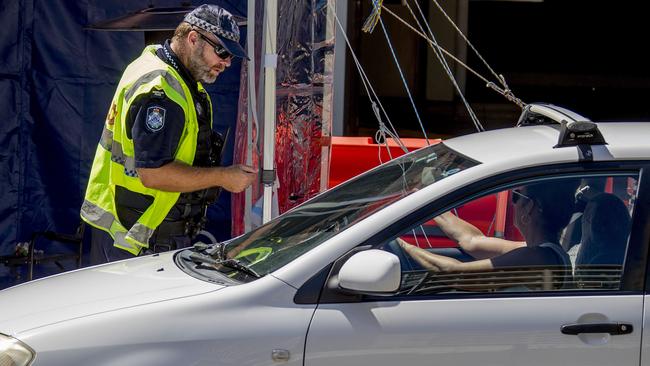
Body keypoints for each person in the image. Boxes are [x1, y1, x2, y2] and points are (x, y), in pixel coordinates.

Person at [81, 4, 257, 263]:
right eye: (221, 51)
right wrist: (223, 177)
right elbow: (154, 173)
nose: (226, 63)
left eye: (231, 56)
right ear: (193, 38)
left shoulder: (158, 65)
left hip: (131, 230)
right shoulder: (162, 91)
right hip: (136, 239)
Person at [399, 180, 578, 274]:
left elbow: (453, 272)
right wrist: (428, 204)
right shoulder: (538, 250)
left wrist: (402, 245)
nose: (513, 204)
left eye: (516, 196)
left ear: (529, 207)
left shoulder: (536, 256)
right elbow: (472, 241)